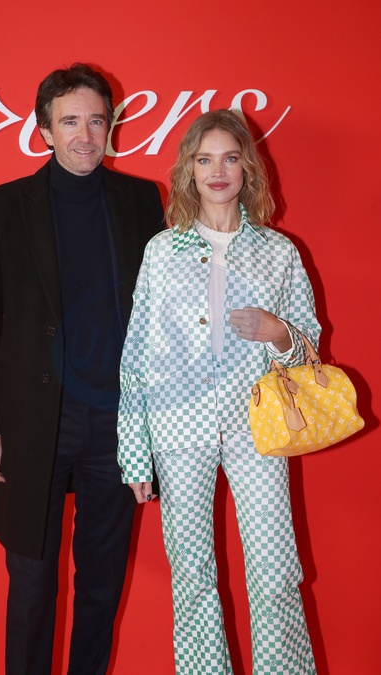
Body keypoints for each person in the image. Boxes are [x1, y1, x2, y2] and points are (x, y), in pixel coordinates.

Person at [0, 63, 164, 675]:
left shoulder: (141, 201)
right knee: (31, 584)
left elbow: (160, 317)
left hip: (115, 424)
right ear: (44, 131)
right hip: (33, 422)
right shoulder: (2, 207)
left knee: (102, 586)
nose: (85, 135)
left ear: (111, 126)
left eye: (96, 121)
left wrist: (156, 423)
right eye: (70, 121)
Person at [118, 109, 319, 674]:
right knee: (192, 575)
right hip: (178, 428)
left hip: (257, 427)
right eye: (204, 159)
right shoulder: (162, 251)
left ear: (247, 167)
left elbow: (309, 352)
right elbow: (136, 354)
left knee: (276, 572)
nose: (218, 171)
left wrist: (278, 332)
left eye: (230, 158)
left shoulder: (278, 252)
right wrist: (134, 452)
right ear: (189, 170)